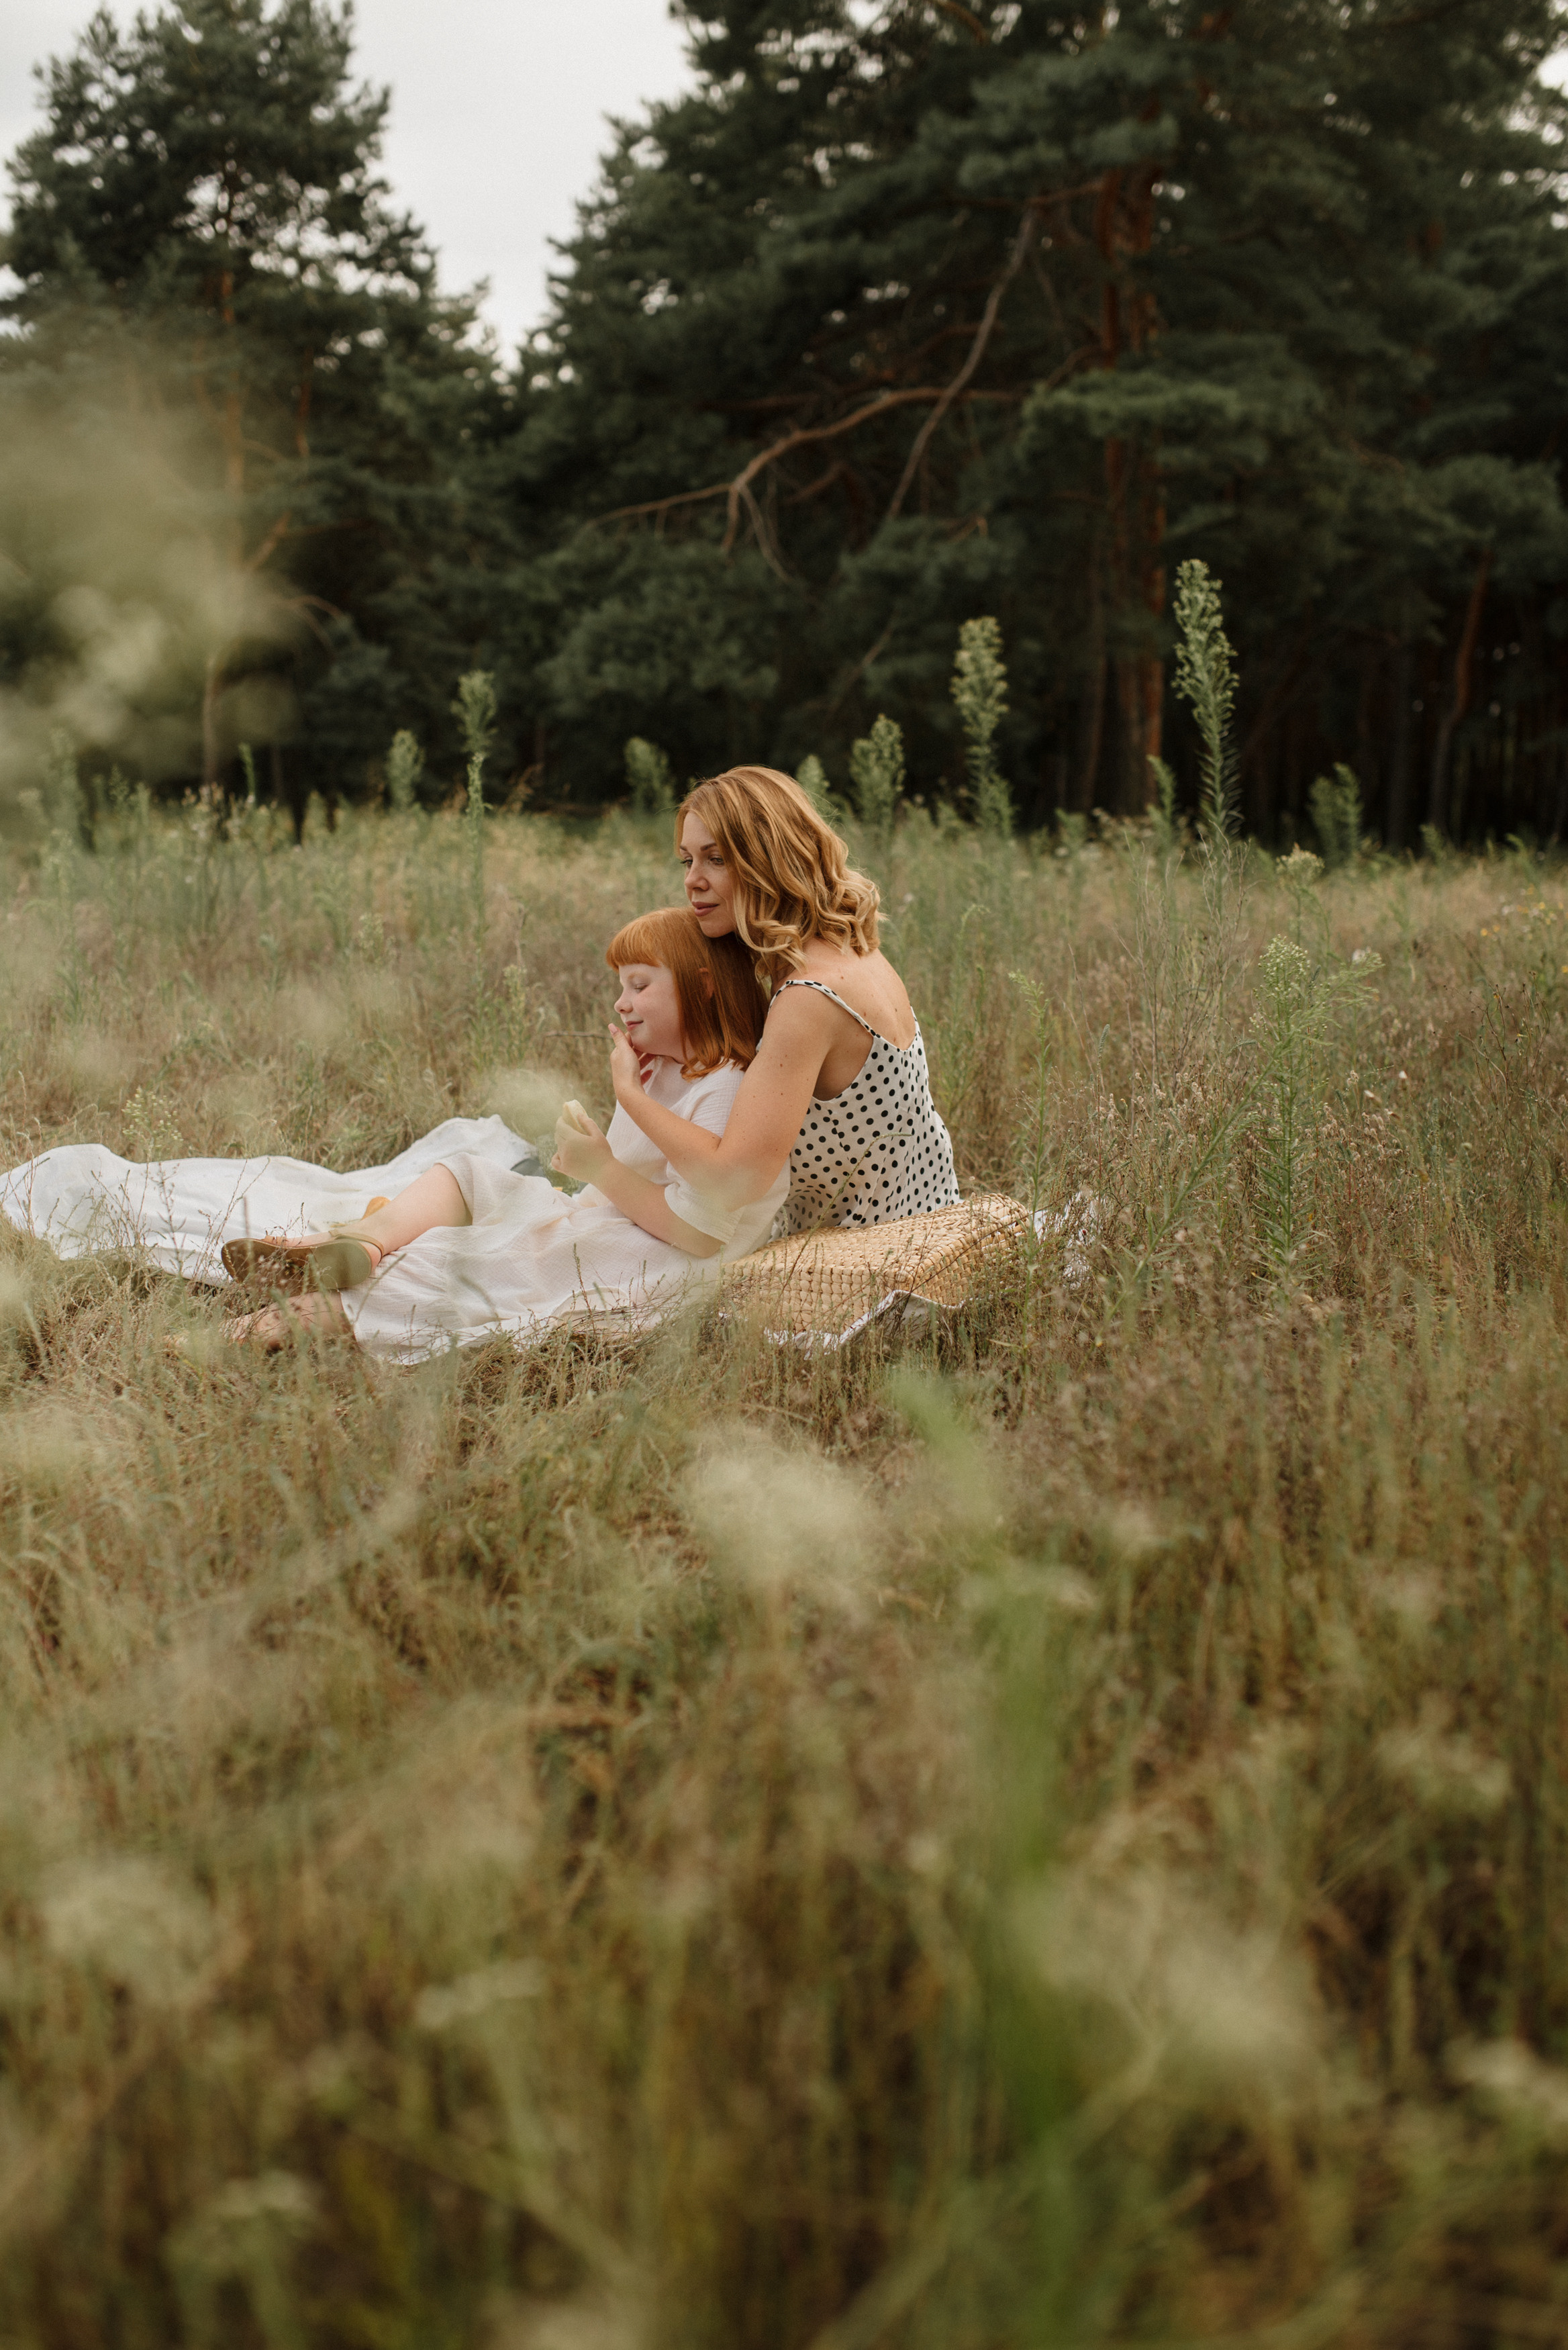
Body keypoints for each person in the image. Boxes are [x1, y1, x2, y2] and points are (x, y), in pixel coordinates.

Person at [0, 908, 784, 1362]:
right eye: (620, 987)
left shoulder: (724, 1090)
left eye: (639, 985)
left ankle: (270, 1327)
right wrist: (609, 1136)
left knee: (460, 1264)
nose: (621, 1003)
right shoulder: (664, 1069)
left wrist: (600, 1159)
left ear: (701, 988)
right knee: (469, 1173)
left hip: (651, 1259)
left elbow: (696, 1232)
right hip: (606, 1215)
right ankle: (363, 1242)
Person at [607, 765, 959, 1235]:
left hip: (869, 1253)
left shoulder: (808, 997)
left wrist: (630, 1094)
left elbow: (732, 1183)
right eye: (687, 861)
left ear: (770, 860)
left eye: (716, 859)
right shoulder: (853, 949)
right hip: (932, 1216)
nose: (693, 880)